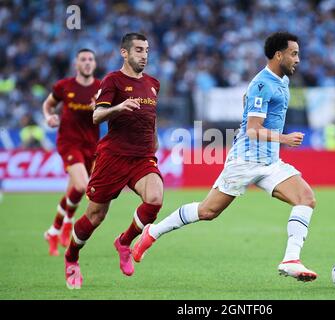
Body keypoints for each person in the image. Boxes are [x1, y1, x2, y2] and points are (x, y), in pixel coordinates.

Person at [133, 31, 318, 282]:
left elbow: (251, 104)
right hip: (244, 161)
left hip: (270, 163)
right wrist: (284, 139)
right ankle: (152, 232)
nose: (298, 59)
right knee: (208, 211)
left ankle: (290, 260)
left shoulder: (281, 81)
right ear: (278, 55)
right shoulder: (262, 84)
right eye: (294, 53)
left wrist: (250, 104)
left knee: (306, 198)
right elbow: (253, 129)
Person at [64, 33, 163, 289]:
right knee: (95, 217)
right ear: (125, 53)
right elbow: (97, 116)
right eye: (139, 50)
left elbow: (151, 116)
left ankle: (124, 241)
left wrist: (155, 140)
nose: (144, 55)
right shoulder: (113, 80)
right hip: (113, 157)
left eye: (147, 50)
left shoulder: (153, 83)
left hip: (142, 156)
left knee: (154, 199)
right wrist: (118, 108)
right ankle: (71, 257)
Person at [42, 49, 101, 256]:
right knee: (81, 186)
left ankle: (53, 231)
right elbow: (48, 105)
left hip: (91, 146)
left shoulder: (101, 89)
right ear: (76, 64)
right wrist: (49, 117)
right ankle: (68, 223)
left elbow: (107, 116)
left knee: (73, 192)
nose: (87, 63)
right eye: (83, 59)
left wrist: (99, 109)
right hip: (69, 143)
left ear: (94, 64)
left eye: (90, 59)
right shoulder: (64, 86)